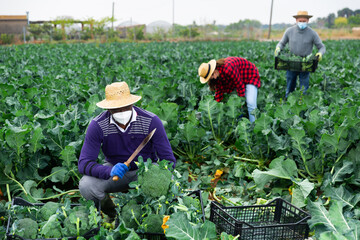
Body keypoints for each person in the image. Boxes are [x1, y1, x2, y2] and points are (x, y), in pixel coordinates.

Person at [78, 81, 176, 221]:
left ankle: (151, 214)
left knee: (170, 180)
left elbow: (169, 160)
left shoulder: (151, 121)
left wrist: (153, 177)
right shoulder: (98, 125)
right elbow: (84, 163)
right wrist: (109, 171)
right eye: (116, 108)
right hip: (115, 170)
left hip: (146, 171)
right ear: (108, 108)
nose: (122, 112)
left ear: (131, 103)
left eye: (125, 106)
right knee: (86, 185)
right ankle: (112, 214)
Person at [274, 10, 326, 98]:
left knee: (304, 88)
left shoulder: (312, 33)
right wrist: (278, 48)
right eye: (300, 21)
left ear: (308, 21)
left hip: (305, 64)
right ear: (296, 20)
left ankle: (303, 104)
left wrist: (320, 54)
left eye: (304, 21)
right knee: (290, 86)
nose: (302, 23)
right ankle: (288, 102)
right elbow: (281, 43)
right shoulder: (289, 31)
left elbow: (322, 47)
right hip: (291, 63)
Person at [198, 57, 261, 123]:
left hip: (249, 75)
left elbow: (240, 86)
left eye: (212, 74)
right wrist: (215, 106)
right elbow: (219, 91)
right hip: (239, 76)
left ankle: (253, 125)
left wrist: (240, 105)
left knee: (250, 102)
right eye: (211, 78)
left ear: (214, 68)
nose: (214, 77)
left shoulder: (228, 68)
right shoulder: (217, 75)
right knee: (232, 101)